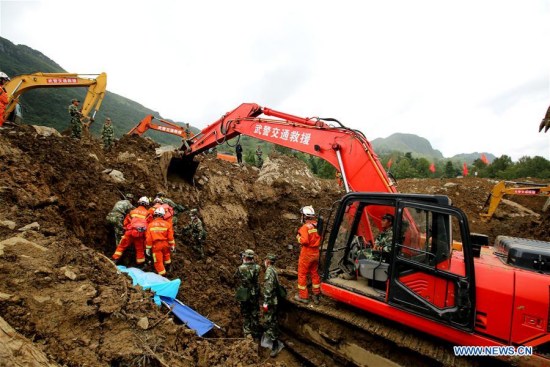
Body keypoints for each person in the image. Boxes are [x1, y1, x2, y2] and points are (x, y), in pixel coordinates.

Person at [112, 196, 151, 266]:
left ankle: (114, 259)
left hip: (130, 232)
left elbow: (126, 222)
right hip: (140, 234)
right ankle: (140, 264)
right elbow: (149, 226)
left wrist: (127, 228)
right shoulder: (148, 213)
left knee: (121, 246)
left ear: (139, 203)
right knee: (140, 249)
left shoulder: (132, 211)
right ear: (147, 205)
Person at [295, 205, 321, 305]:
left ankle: (303, 296)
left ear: (305, 216)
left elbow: (304, 241)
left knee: (302, 274)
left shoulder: (305, 227)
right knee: (314, 273)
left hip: (307, 253)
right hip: (316, 253)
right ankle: (316, 295)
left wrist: (298, 238)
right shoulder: (317, 225)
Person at [235, 249, 261, 339]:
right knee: (254, 312)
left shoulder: (241, 268)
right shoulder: (258, 267)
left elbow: (236, 277)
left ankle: (247, 333)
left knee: (246, 313)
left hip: (245, 293)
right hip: (255, 292)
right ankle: (256, 333)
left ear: (245, 257)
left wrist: (243, 262)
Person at [262, 254, 285, 357]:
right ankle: (272, 338)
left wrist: (265, 303)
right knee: (273, 320)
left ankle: (274, 345)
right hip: (274, 300)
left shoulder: (269, 272)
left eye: (265, 260)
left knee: (270, 321)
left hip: (270, 302)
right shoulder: (274, 270)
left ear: (268, 261)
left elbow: (268, 289)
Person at [146, 206, 176, 276]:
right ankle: (168, 267)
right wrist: (172, 245)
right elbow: (170, 237)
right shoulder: (167, 224)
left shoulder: (150, 225)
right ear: (163, 215)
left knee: (158, 262)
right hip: (166, 244)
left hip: (156, 246)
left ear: (155, 215)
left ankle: (163, 275)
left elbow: (149, 238)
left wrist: (148, 247)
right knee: (166, 256)